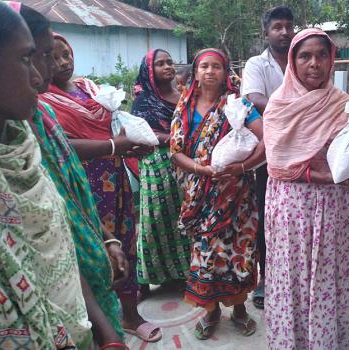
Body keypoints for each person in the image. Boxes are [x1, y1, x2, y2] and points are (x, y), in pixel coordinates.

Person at [16, 3, 129, 347]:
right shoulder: (17, 143)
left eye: (56, 55)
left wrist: (107, 237)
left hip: (89, 268)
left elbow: (67, 195)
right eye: (37, 56)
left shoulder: (42, 113)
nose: (47, 70)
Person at [39, 34, 162, 343]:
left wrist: (128, 147)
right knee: (96, 252)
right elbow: (62, 147)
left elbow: (112, 128)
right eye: (53, 58)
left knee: (126, 243)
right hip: (81, 183)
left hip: (115, 177)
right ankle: (100, 322)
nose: (63, 62)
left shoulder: (89, 89)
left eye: (66, 54)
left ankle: (131, 315)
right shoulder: (42, 100)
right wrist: (113, 145)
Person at [0, 1, 89, 347]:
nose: (38, 75)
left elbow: (61, 239)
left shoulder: (24, 147)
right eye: (25, 59)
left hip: (74, 321)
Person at [263, 28, 349, 349]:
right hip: (291, 205)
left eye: (321, 55)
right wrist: (323, 175)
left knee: (329, 273)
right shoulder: (278, 105)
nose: (314, 63)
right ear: (292, 61)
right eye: (305, 56)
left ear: (332, 60)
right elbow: (278, 163)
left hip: (332, 206)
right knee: (292, 277)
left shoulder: (344, 104)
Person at [170, 48, 264, 340]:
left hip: (238, 195)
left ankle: (238, 310)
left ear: (226, 73)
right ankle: (210, 311)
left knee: (239, 251)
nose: (210, 71)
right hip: (201, 195)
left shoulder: (240, 105)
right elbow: (175, 153)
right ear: (195, 73)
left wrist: (243, 166)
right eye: (204, 66)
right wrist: (201, 170)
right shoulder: (184, 108)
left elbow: (266, 139)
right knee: (206, 253)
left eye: (216, 67)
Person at [241, 5, 295, 310]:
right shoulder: (256, 64)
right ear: (267, 32)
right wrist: (296, 106)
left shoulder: (303, 57)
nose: (285, 32)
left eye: (289, 26)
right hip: (269, 154)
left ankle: (293, 276)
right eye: (278, 27)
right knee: (267, 216)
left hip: (305, 150)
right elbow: (254, 98)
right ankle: (265, 278)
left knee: (297, 217)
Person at [131, 49, 191, 298]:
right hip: (155, 165)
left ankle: (180, 273)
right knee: (153, 221)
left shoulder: (183, 96)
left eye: (169, 62)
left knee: (183, 219)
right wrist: (171, 138)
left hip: (183, 164)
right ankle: (145, 280)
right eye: (160, 64)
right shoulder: (143, 101)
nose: (167, 67)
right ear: (149, 70)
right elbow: (139, 133)